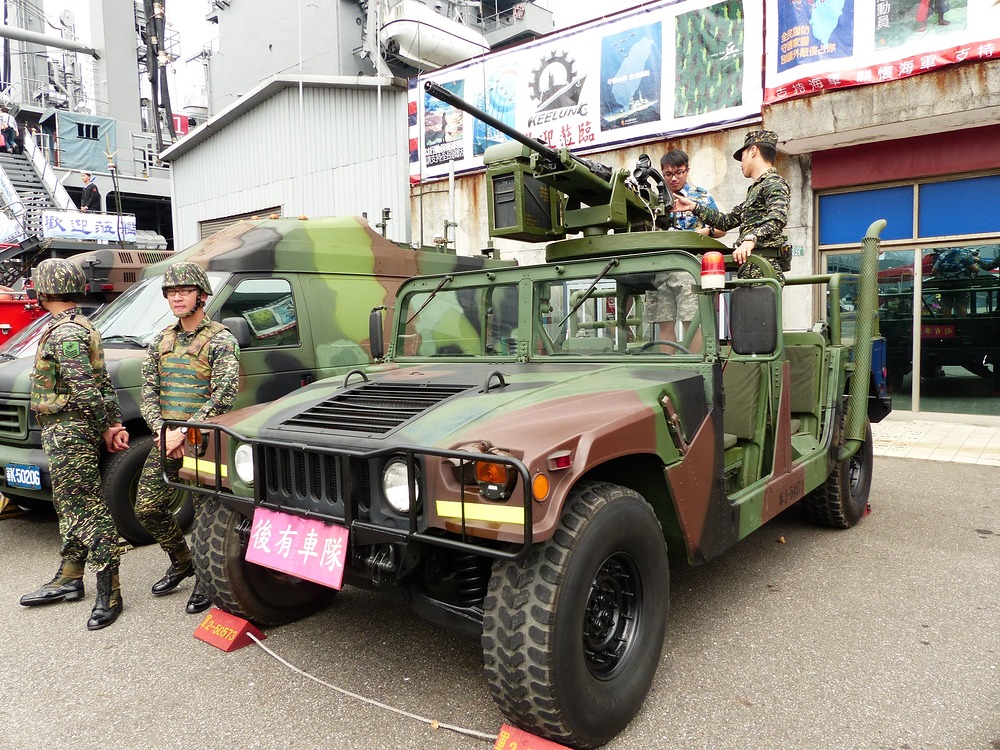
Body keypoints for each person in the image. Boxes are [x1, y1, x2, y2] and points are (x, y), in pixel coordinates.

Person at [20, 258, 130, 630]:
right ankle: (69, 577)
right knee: (69, 506)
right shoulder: (78, 325)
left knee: (86, 509)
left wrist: (104, 427)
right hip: (67, 428)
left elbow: (85, 389)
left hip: (69, 429)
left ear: (45, 289)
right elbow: (103, 382)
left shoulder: (65, 332)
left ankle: (109, 592)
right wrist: (112, 422)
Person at [135, 261, 240, 614]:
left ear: (201, 295)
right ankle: (182, 561)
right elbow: (148, 389)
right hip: (166, 437)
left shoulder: (221, 340)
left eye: (184, 291)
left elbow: (223, 394)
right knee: (147, 508)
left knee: (203, 515)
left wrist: (184, 431)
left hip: (202, 441)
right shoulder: (161, 340)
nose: (176, 298)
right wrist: (162, 431)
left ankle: (205, 579)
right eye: (171, 292)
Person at [672, 130, 790, 284]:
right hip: (750, 268)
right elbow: (727, 221)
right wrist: (694, 207)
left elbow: (777, 217)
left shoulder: (774, 183)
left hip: (764, 269)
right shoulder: (756, 189)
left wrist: (750, 239)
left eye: (742, 157)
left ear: (753, 151)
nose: (741, 164)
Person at [645, 150, 726, 349]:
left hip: (688, 265)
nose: (674, 178)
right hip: (660, 266)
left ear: (687, 171)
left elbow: (722, 228)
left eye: (679, 172)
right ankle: (670, 369)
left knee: (692, 322)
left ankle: (695, 369)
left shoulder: (701, 196)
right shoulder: (653, 199)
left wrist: (700, 234)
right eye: (668, 174)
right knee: (664, 323)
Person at [932, 247, 980, 318]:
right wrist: (977, 262)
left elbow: (934, 271)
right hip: (961, 284)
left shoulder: (943, 254)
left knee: (947, 306)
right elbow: (975, 269)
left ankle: (948, 326)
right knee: (961, 305)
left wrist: (941, 276)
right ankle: (962, 326)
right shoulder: (965, 253)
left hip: (946, 284)